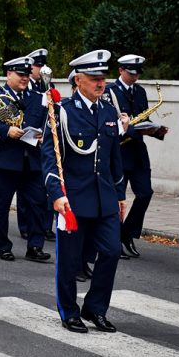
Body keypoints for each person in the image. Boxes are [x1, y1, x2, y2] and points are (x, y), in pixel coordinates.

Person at [41, 49, 127, 333]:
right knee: (70, 259)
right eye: (94, 79)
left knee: (112, 251)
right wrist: (56, 193)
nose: (101, 83)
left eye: (103, 78)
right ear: (78, 80)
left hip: (105, 198)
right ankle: (69, 311)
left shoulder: (109, 111)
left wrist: (121, 194)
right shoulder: (62, 112)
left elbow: (114, 158)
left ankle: (95, 308)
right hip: (73, 198)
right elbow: (51, 157)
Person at [0, 56, 51, 263]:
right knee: (1, 205)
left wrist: (44, 134)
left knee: (38, 203)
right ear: (9, 74)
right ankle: (3, 246)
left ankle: (35, 246)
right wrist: (6, 130)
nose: (25, 78)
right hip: (5, 159)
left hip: (32, 160)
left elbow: (47, 121)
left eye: (27, 74)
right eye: (20, 74)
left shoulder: (38, 96)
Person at [102, 54, 168, 258]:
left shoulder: (140, 92)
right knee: (116, 199)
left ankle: (127, 233)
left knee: (145, 193)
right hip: (119, 153)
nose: (135, 76)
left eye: (138, 73)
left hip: (138, 153)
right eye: (131, 72)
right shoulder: (108, 92)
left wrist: (156, 131)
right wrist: (135, 130)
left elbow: (144, 121)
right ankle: (114, 240)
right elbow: (110, 124)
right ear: (121, 71)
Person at [18, 48, 55, 241]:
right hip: (25, 143)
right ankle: (25, 225)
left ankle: (45, 226)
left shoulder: (47, 86)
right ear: (30, 67)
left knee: (46, 188)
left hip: (43, 142)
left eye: (43, 66)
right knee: (25, 191)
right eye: (38, 66)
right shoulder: (25, 87)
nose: (41, 69)